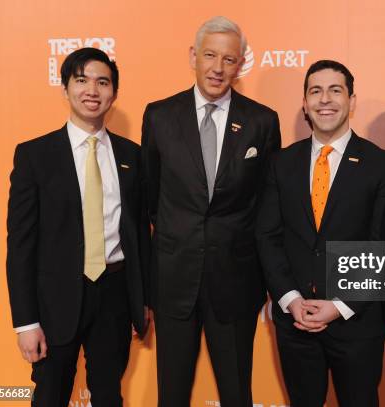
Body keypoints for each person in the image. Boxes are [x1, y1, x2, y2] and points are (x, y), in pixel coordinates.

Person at [141, 16, 281, 407]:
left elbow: (265, 206)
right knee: (171, 394)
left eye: (229, 59)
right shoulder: (159, 116)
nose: (218, 68)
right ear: (193, 57)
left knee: (237, 393)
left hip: (235, 282)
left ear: (241, 64)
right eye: (209, 56)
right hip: (173, 281)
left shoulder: (262, 121)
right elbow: (151, 197)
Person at [6, 47, 150, 407]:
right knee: (51, 396)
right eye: (82, 80)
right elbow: (21, 245)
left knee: (108, 395)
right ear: (65, 88)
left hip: (114, 294)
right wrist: (25, 323)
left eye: (103, 82)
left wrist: (141, 300)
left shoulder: (132, 156)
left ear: (114, 93)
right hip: (54, 300)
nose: (92, 90)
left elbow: (139, 237)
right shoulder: (34, 155)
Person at [256, 60, 385, 407]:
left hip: (357, 322)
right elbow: (267, 236)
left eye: (335, 90)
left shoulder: (382, 166)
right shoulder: (281, 163)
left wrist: (339, 306)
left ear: (351, 100)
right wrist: (290, 300)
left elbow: (384, 246)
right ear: (304, 103)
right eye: (315, 91)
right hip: (296, 322)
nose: (325, 100)